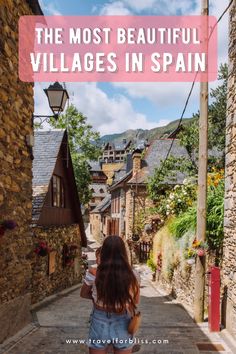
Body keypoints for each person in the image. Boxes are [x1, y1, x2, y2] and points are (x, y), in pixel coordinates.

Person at [80, 235, 140, 354]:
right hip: (123, 319)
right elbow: (136, 301)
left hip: (99, 318)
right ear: (123, 252)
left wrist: (95, 297)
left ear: (104, 252)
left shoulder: (94, 272)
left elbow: (83, 294)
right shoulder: (133, 275)